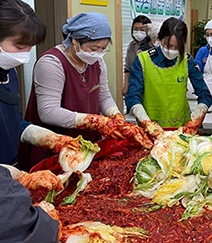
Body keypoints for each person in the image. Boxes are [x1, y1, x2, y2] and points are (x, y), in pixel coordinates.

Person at [19, 12, 151, 171]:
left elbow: (104, 96)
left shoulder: (97, 62)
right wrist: (95, 121)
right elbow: (48, 111)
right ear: (75, 41)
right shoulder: (51, 63)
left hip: (88, 144)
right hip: (55, 146)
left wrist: (115, 115)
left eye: (103, 48)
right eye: (94, 48)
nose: (98, 53)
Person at [0, 0, 71, 241]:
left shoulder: (8, 73)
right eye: (19, 46)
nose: (25, 55)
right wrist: (17, 176)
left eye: (29, 47)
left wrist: (51, 139)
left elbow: (14, 121)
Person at [126, 17, 212, 135]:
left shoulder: (186, 61)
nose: (172, 50)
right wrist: (145, 121)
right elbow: (132, 97)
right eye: (168, 45)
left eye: (177, 47)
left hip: (182, 131)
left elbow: (205, 94)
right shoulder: (142, 61)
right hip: (150, 131)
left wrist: (197, 116)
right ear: (159, 39)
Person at [122, 15, 153, 96]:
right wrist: (126, 85)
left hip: (150, 86)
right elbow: (128, 68)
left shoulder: (153, 47)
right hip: (134, 85)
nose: (138, 32)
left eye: (142, 29)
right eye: (135, 29)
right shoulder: (131, 46)